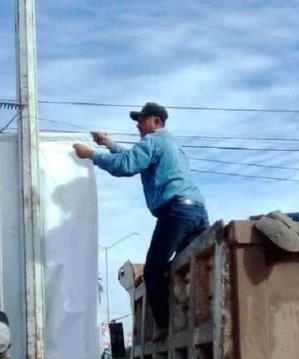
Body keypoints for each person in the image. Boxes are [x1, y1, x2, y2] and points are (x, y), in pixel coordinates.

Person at [73, 102, 209, 341]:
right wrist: (107, 143)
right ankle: (201, 314)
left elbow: (126, 165)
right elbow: (131, 156)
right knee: (189, 266)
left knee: (154, 269)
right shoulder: (170, 144)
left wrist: (92, 155)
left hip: (175, 211)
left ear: (157, 122)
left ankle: (165, 326)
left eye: (142, 119)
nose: (138, 124)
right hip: (196, 210)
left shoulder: (153, 141)